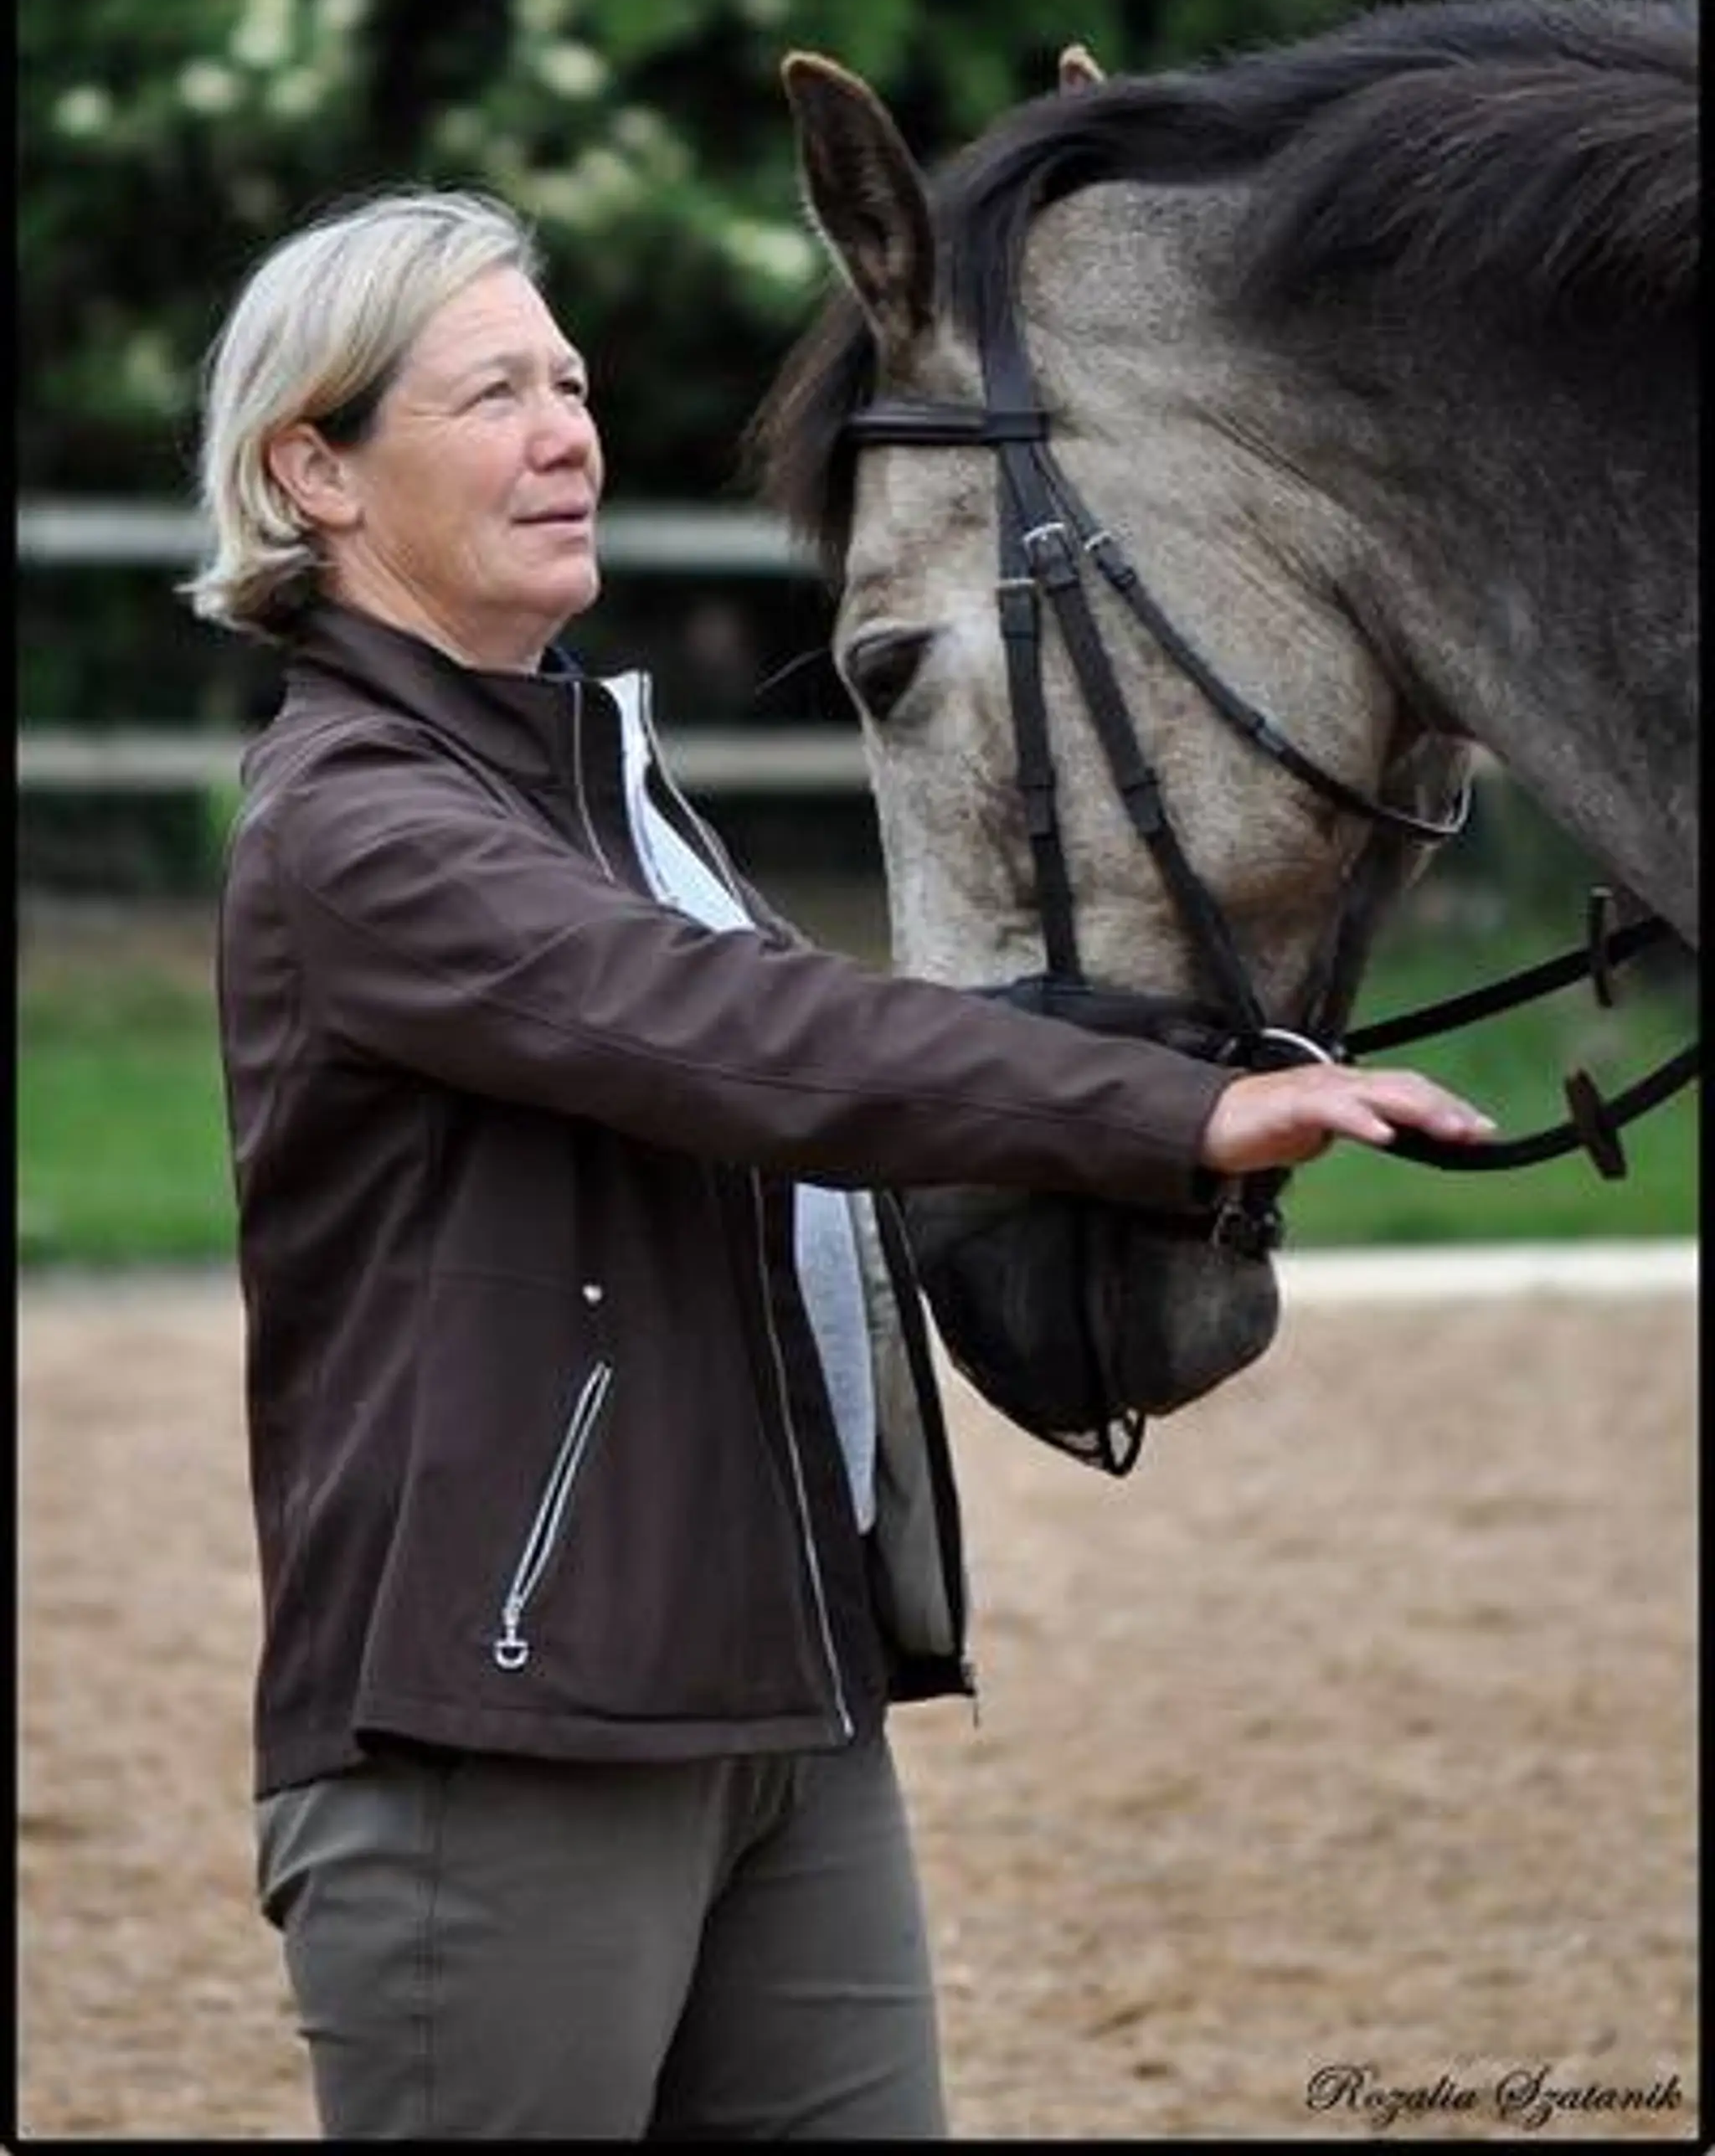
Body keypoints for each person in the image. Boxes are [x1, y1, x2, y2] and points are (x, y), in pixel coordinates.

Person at [184, 184, 1497, 2141]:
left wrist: (1213, 1058)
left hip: (785, 1700)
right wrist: (1171, 1116)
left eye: (570, 380)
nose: (569, 431)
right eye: (490, 396)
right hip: (504, 1726)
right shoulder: (358, 830)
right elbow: (739, 1038)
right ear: (318, 470)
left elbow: (847, 1041)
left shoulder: (587, 790)